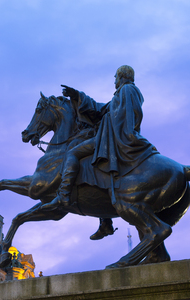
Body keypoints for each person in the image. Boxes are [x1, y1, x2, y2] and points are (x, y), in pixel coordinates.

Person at [42, 65, 158, 240]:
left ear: (121, 76)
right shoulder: (121, 94)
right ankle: (105, 222)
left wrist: (108, 125)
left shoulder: (127, 90)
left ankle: (63, 195)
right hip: (111, 135)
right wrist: (78, 95)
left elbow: (123, 117)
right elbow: (101, 109)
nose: (114, 81)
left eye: (115, 77)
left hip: (114, 137)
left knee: (73, 153)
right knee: (93, 167)